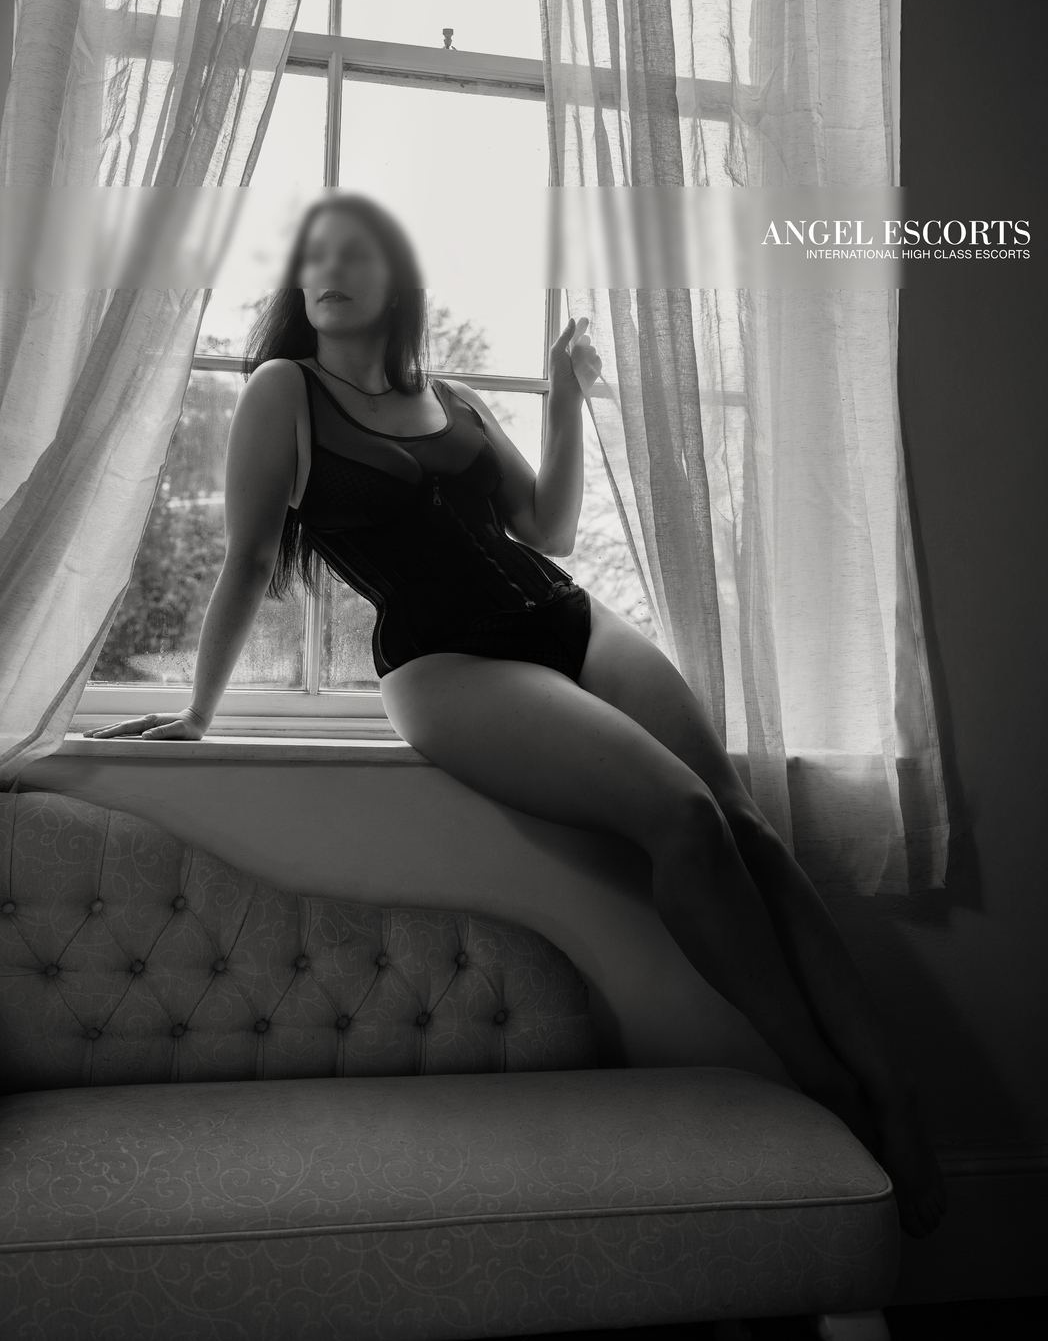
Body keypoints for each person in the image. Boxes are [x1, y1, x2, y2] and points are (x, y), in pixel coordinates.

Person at [88, 193, 946, 1238]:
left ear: (397, 281)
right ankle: (825, 1082)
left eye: (354, 252)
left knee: (748, 825)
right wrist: (198, 711)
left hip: (565, 614)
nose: (329, 269)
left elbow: (548, 527)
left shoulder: (452, 400)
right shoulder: (283, 390)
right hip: (445, 661)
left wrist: (562, 396)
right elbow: (251, 557)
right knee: (682, 820)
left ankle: (894, 1085)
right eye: (314, 255)